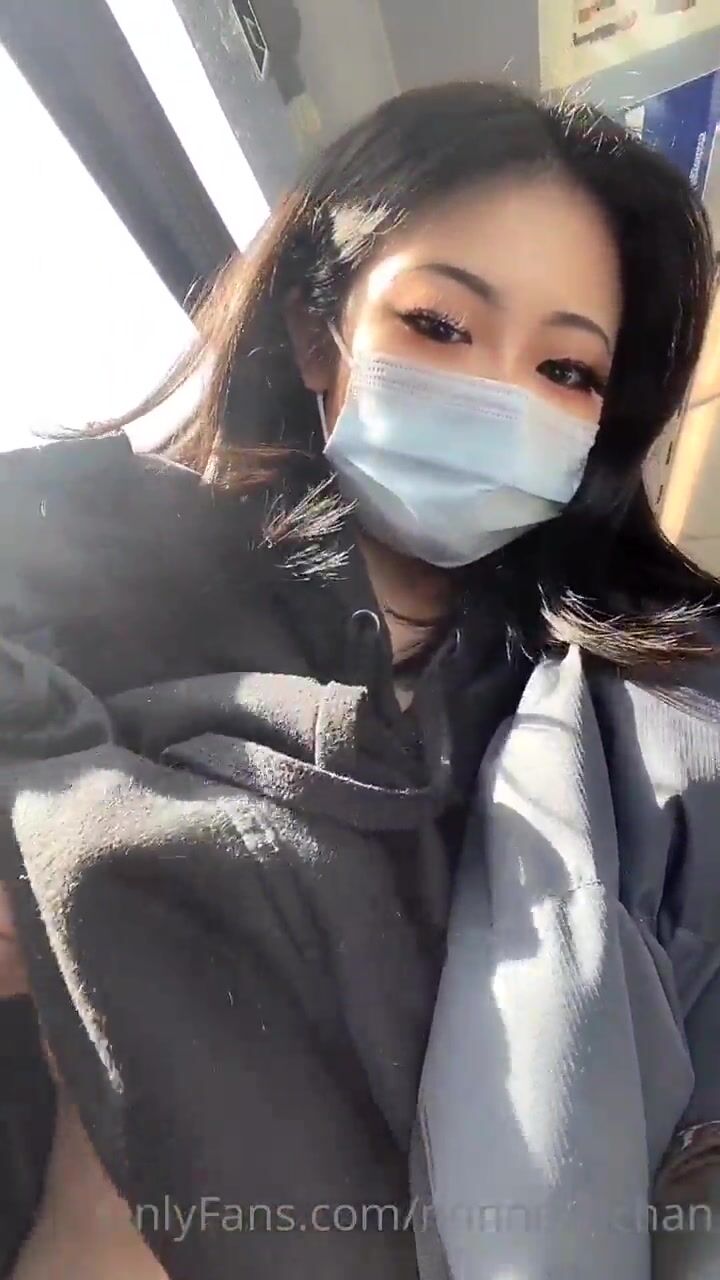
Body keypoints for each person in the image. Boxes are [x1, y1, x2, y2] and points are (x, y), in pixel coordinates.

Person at [0, 80, 719, 1280]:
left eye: (566, 367)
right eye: (440, 324)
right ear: (313, 328)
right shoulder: (75, 547)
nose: (501, 394)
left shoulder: (624, 697)